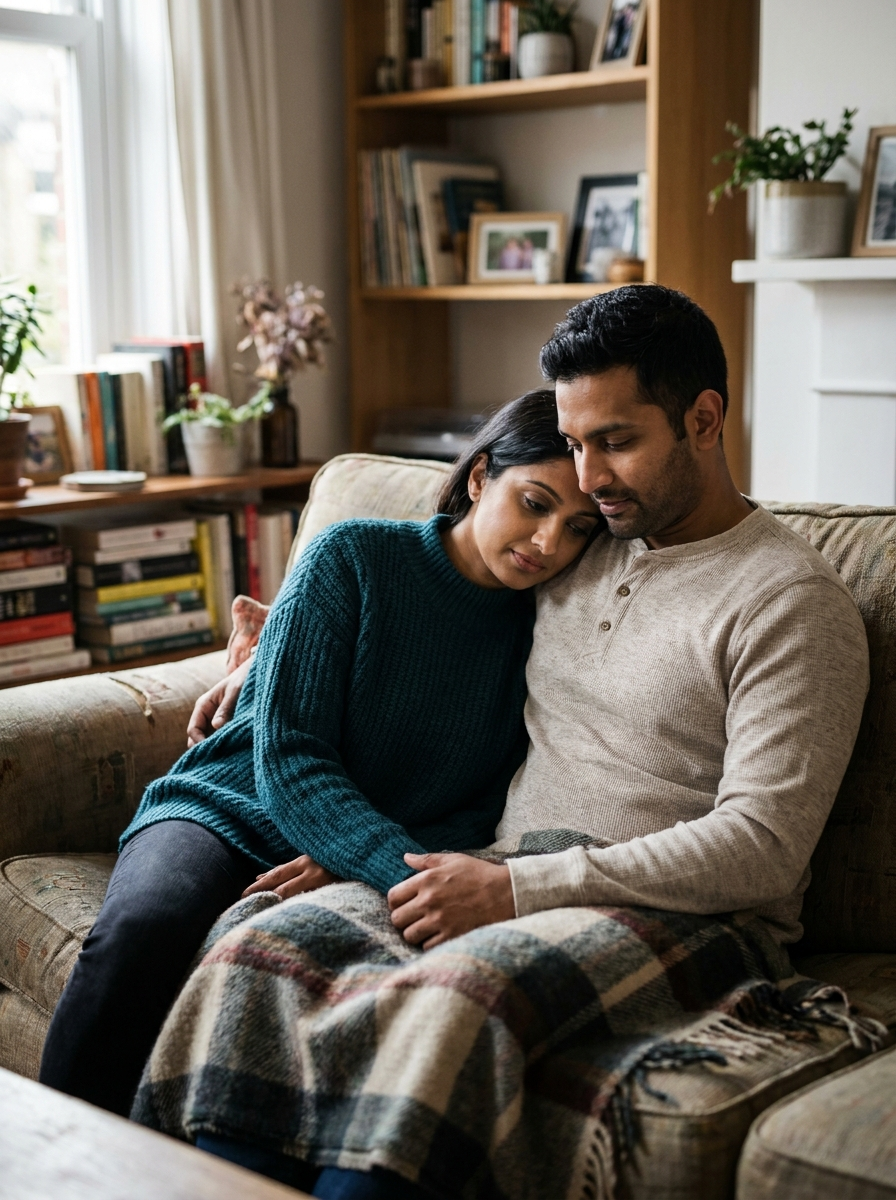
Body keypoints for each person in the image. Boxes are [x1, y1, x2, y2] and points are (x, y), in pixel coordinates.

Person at [156, 285, 870, 1200]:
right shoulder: (581, 546)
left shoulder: (790, 602)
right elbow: (414, 610)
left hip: (687, 915)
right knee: (266, 947)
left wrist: (515, 887)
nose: (592, 477)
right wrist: (259, 658)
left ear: (703, 417)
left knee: (455, 997)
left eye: (616, 441)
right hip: (492, 868)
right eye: (574, 444)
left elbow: (765, 850)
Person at [38, 389, 602, 1119]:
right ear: (478, 476)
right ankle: (51, 1163)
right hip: (229, 806)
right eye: (534, 502)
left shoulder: (544, 631)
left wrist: (347, 858)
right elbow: (290, 754)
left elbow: (489, 800)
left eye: (578, 527)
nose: (550, 542)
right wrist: (389, 864)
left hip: (356, 848)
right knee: (144, 934)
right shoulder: (356, 557)